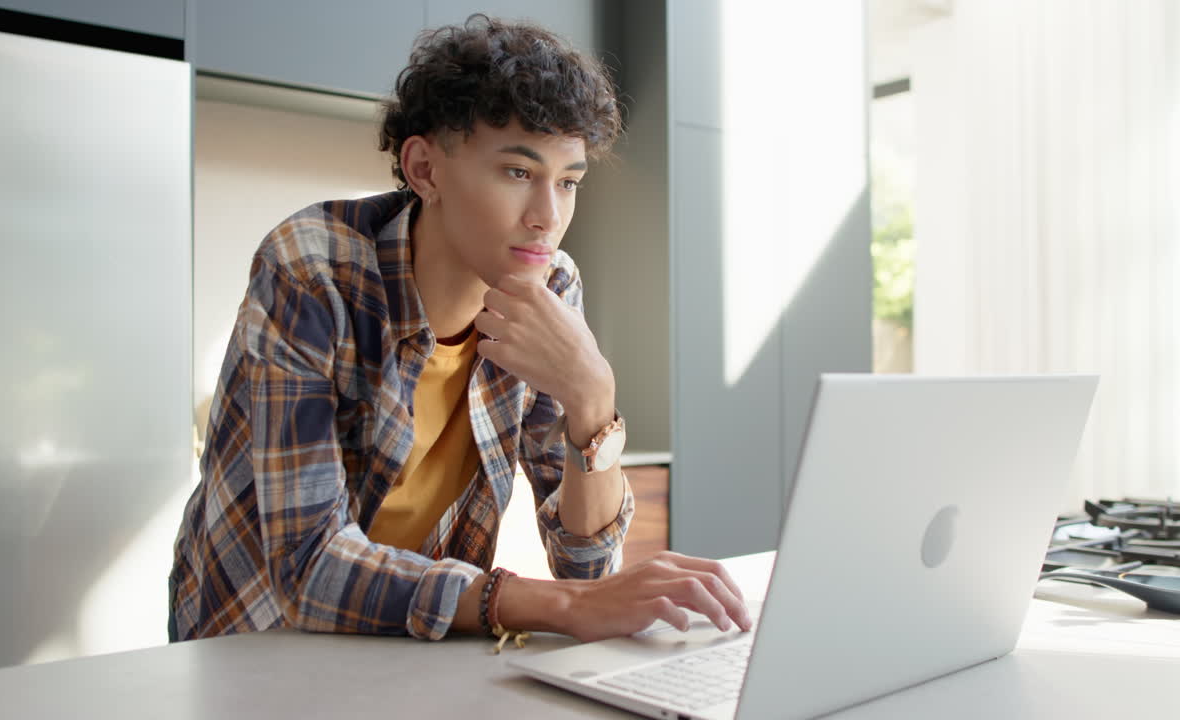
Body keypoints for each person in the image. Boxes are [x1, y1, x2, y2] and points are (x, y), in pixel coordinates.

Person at [168, 14, 752, 647]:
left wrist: (593, 400)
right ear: (424, 169)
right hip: (251, 648)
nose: (547, 217)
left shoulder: (551, 287)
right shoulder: (315, 271)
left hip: (409, 645)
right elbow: (309, 567)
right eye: (518, 173)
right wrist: (548, 604)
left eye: (569, 181)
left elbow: (586, 566)